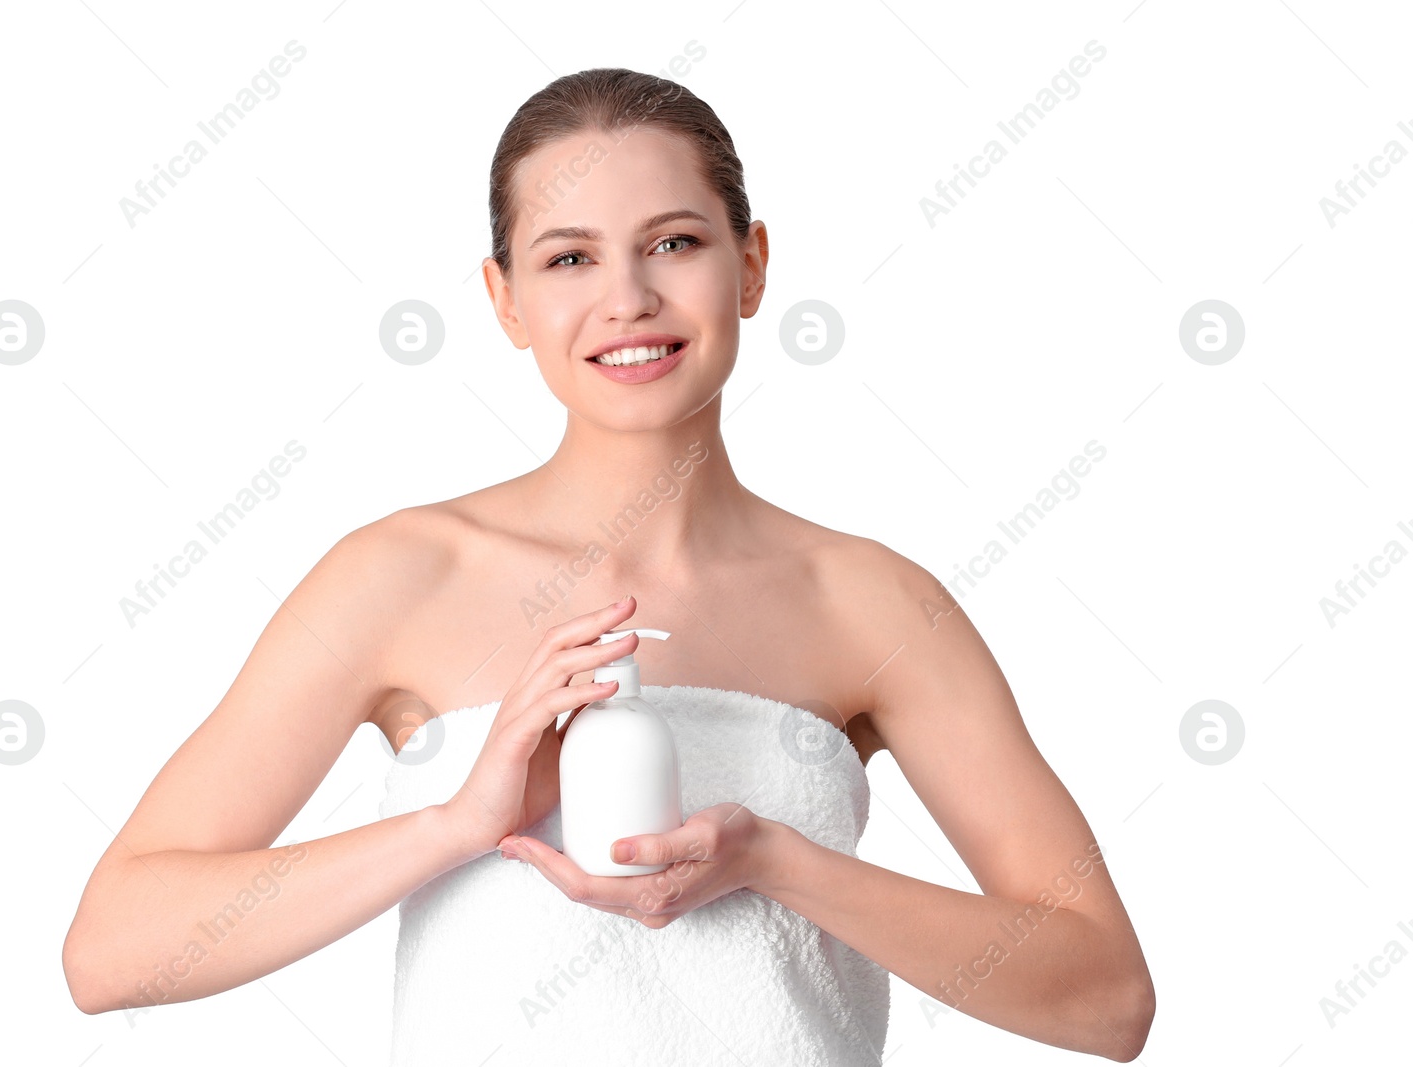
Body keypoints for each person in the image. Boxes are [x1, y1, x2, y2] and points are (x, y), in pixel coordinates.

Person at [62, 68, 1154, 1063]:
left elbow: (1105, 997)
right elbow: (113, 948)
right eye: (568, 256)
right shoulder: (398, 576)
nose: (626, 296)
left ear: (752, 265)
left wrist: (775, 860)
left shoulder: (872, 601)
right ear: (504, 299)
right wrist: (456, 824)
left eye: (674, 242)